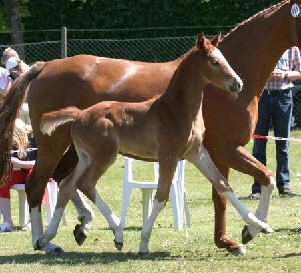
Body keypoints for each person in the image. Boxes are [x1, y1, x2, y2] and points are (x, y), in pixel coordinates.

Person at [249, 47, 301, 199]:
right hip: (262, 97)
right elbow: (251, 70)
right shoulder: (264, 45)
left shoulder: (293, 49)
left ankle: (284, 186)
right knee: (259, 144)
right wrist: (266, 74)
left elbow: (299, 72)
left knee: (283, 144)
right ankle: (258, 187)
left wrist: (284, 74)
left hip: (284, 97)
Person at [0, 119, 36, 232]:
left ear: (21, 134)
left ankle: (34, 221)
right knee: (2, 178)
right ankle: (8, 222)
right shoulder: (7, 142)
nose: (12, 142)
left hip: (38, 173)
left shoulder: (35, 138)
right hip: (19, 173)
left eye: (14, 138)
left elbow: (44, 163)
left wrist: (20, 163)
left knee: (33, 176)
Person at [0, 48, 31, 124]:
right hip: (31, 105)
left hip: (19, 107)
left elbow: (6, 93)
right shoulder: (28, 70)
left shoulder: (11, 75)